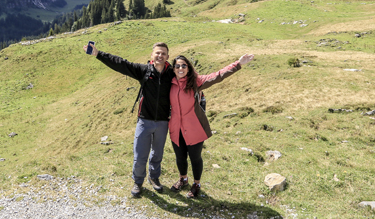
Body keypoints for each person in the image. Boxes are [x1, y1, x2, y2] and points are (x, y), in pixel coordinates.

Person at [83, 42, 174, 197]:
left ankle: (154, 178)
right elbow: (121, 64)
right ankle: (138, 182)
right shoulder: (143, 70)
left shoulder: (172, 74)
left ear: (167, 57)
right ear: (152, 55)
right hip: (144, 121)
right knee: (140, 156)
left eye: (163, 53)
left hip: (163, 122)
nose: (160, 56)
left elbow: (189, 78)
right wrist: (99, 54)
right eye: (157, 53)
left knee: (157, 154)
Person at [168, 53, 254, 198]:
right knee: (180, 157)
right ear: (174, 69)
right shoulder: (169, 83)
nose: (181, 68)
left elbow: (218, 75)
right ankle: (183, 179)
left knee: (195, 158)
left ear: (188, 68)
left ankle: (196, 184)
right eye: (177, 66)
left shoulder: (196, 81)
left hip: (195, 127)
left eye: (184, 65)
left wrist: (238, 64)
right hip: (176, 128)